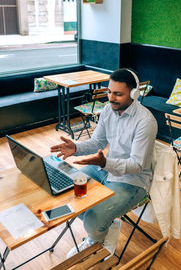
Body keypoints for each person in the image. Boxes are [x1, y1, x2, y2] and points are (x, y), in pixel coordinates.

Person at [50, 68, 158, 258]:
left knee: (92, 219)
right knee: (72, 195)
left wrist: (105, 163)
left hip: (133, 180)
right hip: (106, 169)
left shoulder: (145, 121)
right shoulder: (108, 109)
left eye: (118, 94)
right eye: (109, 91)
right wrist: (76, 148)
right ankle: (108, 224)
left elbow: (137, 165)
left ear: (134, 94)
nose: (111, 97)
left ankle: (96, 239)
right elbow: (98, 142)